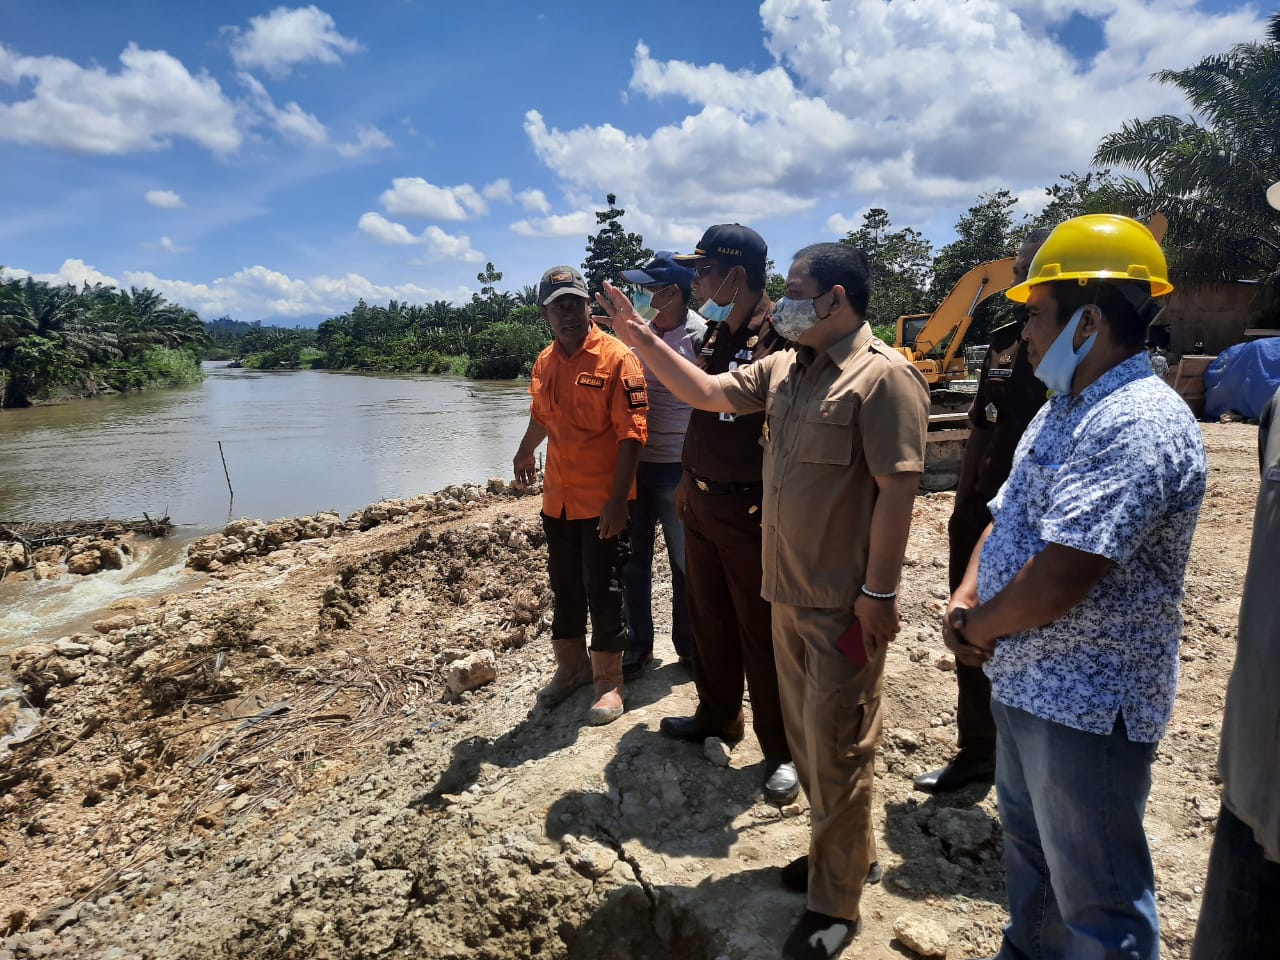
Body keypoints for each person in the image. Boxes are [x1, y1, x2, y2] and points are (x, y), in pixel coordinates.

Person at [599, 242, 929, 960]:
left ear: (837, 299)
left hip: (844, 606)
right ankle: (845, 854)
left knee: (841, 745)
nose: (785, 300)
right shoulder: (787, 367)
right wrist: (642, 337)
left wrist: (880, 593)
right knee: (812, 745)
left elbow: (899, 491)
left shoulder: (883, 380)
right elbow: (708, 394)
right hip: (785, 591)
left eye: (798, 289)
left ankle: (834, 908)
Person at [944, 215, 1208, 960]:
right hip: (1028, 686)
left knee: (1098, 904)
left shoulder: (1137, 420)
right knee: (1032, 871)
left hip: (1088, 707)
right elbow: (1005, 516)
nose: (1025, 332)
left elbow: (1065, 573)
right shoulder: (1065, 407)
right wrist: (968, 597)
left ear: (1087, 321)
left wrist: (979, 627)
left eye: (1034, 314)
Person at [657, 224, 798, 807]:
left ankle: (781, 749)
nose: (697, 281)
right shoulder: (717, 330)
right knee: (707, 613)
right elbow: (702, 412)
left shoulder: (783, 337)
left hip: (750, 506)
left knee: (759, 630)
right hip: (702, 499)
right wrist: (688, 482)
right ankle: (718, 716)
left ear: (735, 276)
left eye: (705, 270)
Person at [915, 228, 1051, 794]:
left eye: (1031, 269)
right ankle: (977, 751)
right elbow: (979, 424)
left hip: (1036, 525)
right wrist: (961, 500)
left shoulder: (1071, 357)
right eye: (1017, 268)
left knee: (1026, 639)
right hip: (980, 514)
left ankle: (1026, 766)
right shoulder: (1003, 341)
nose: (1019, 278)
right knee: (966, 632)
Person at [512, 265, 647, 726]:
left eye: (574, 302)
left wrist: (617, 502)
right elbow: (541, 416)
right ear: (545, 314)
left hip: (603, 501)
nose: (567, 313)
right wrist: (524, 451)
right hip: (559, 500)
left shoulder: (617, 358)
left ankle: (608, 682)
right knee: (565, 588)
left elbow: (632, 436)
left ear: (588, 306)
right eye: (557, 306)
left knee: (604, 589)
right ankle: (569, 669)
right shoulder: (545, 361)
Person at [616, 252, 701, 681]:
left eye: (648, 288)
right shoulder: (636, 335)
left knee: (686, 563)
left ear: (671, 293)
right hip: (636, 465)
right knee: (634, 562)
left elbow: (710, 405)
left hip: (680, 468)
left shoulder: (703, 337)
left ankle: (688, 646)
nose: (641, 295)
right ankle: (638, 648)